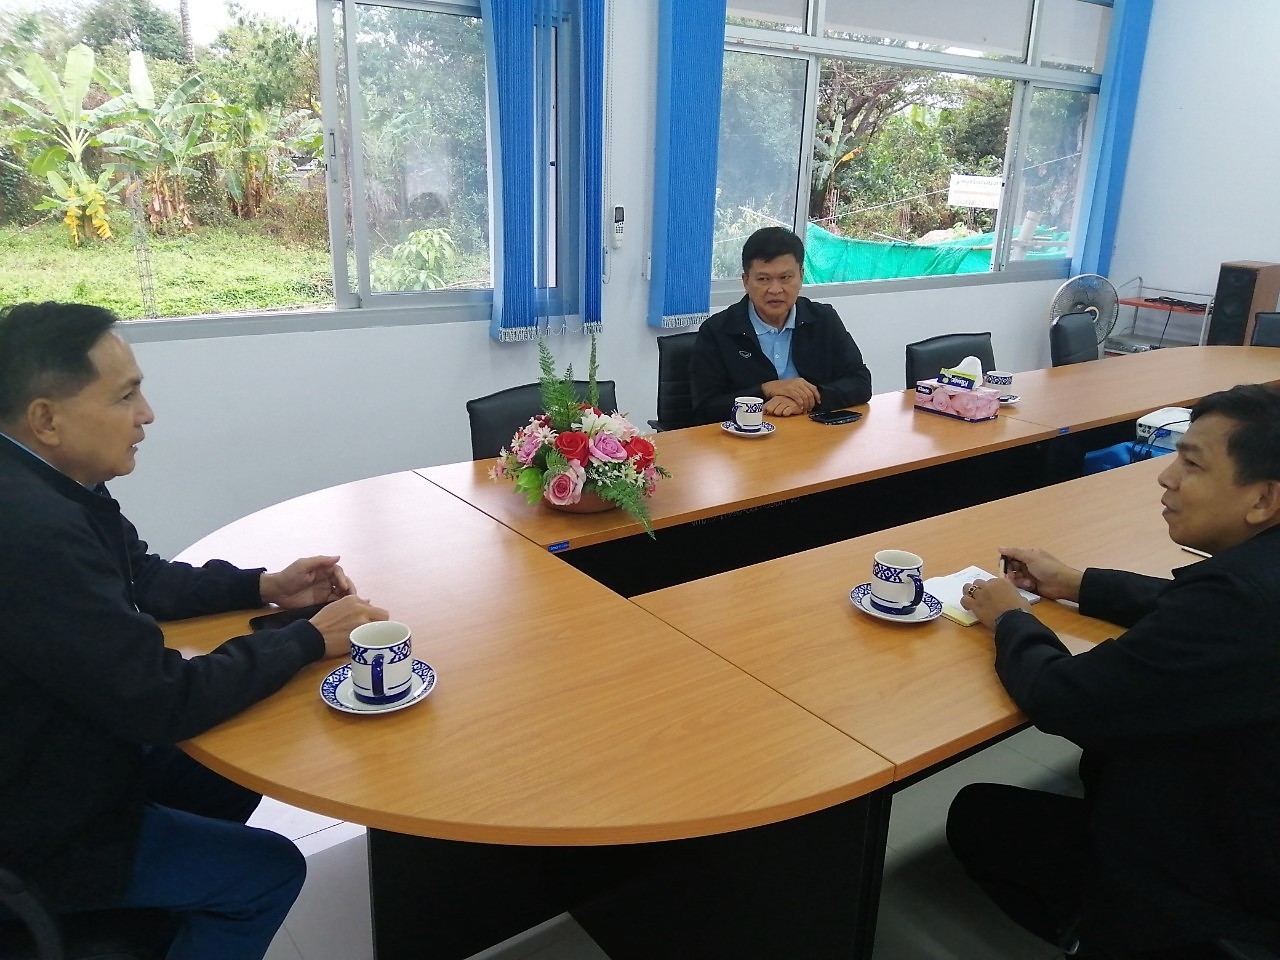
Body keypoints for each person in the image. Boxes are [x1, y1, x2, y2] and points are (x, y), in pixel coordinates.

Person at [0, 302, 389, 960]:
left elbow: (144, 578)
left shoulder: (54, 482)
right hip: (44, 825)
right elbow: (160, 699)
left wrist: (267, 586)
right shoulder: (32, 534)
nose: (147, 415)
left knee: (255, 740)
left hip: (77, 745)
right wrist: (305, 639)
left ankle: (170, 898)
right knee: (268, 872)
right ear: (46, 419)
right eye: (125, 396)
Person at [949, 383, 1280, 958]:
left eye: (1192, 463)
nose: (1166, 477)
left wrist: (1008, 619)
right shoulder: (1255, 582)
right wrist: (1076, 584)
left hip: (1211, 881)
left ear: (1263, 499)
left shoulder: (1236, 603)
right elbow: (1187, 609)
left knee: (977, 816)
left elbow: (1063, 697)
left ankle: (1103, 929)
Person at [689, 226, 872, 425]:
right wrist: (765, 390)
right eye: (763, 279)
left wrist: (806, 399)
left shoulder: (823, 319)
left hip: (812, 434)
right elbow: (705, 409)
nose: (775, 290)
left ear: (801, 277)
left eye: (785, 278)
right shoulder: (717, 331)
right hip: (745, 439)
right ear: (746, 281)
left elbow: (860, 382)